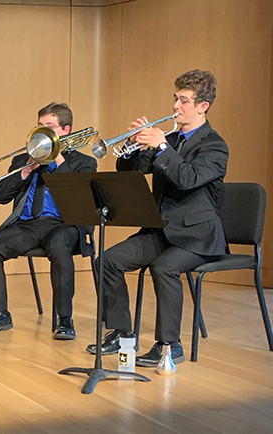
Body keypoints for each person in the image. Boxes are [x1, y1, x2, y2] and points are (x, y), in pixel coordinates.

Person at [87, 70, 228, 367]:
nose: (176, 106)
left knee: (163, 268)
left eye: (185, 101)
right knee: (107, 261)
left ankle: (169, 345)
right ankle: (122, 332)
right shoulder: (172, 139)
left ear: (203, 106)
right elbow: (130, 171)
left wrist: (162, 146)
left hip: (196, 236)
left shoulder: (214, 145)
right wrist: (134, 146)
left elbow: (189, 178)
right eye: (176, 98)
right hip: (162, 230)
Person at [0, 102, 97, 339]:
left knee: (60, 248)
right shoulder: (24, 160)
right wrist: (24, 172)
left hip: (64, 225)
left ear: (65, 130)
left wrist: (58, 160)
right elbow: (0, 196)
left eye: (50, 126)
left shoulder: (84, 163)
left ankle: (64, 319)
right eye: (40, 126)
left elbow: (79, 199)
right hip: (28, 226)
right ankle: (0, 315)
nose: (43, 132)